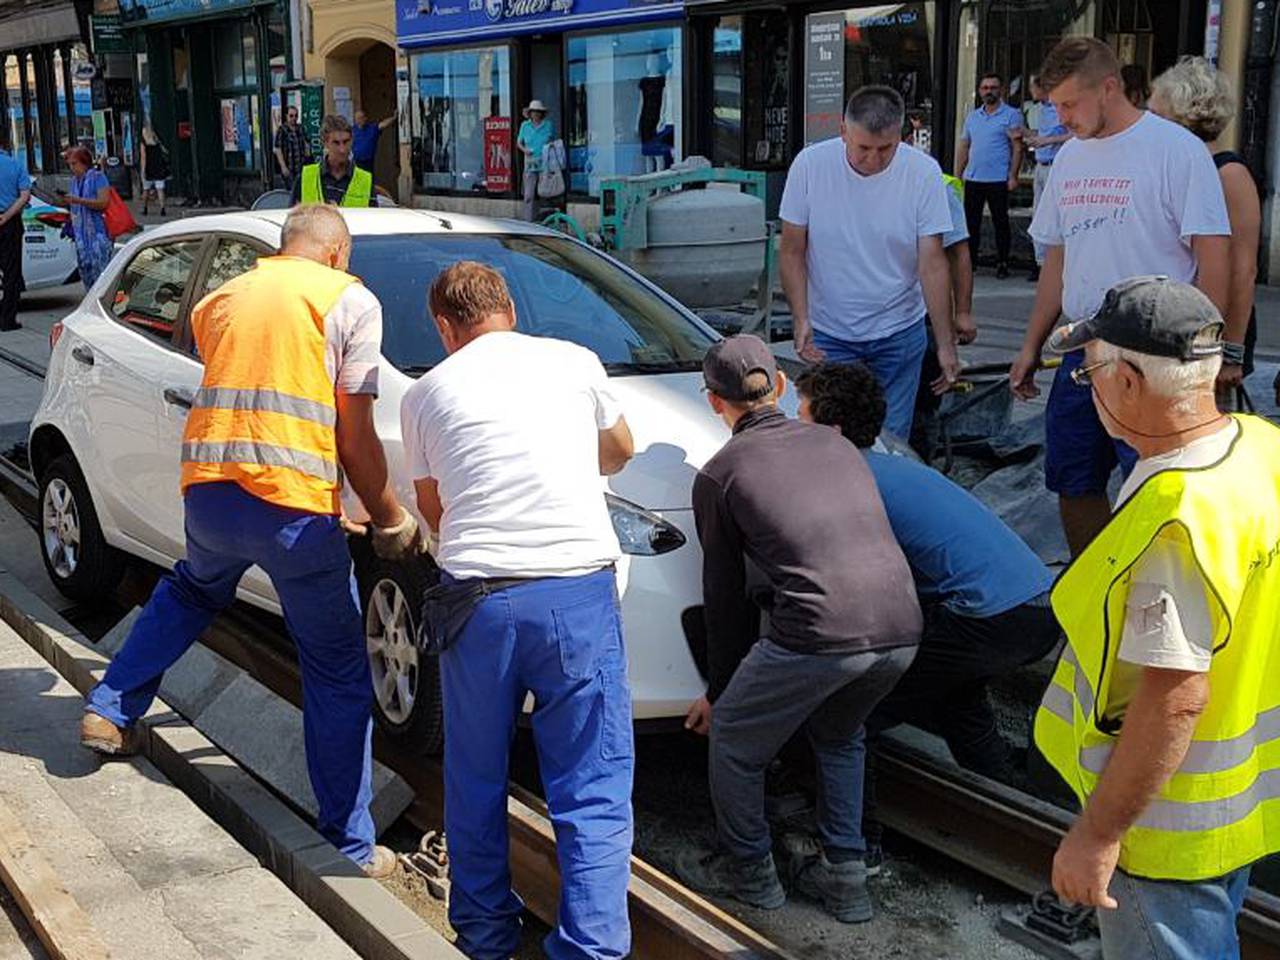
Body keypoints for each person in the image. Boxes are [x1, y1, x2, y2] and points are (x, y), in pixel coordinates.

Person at [78, 204, 421, 879]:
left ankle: (109, 709)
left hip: (210, 493)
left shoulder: (222, 297)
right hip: (291, 510)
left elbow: (256, 388)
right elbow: (352, 432)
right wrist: (388, 517)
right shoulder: (349, 300)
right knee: (335, 669)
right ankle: (348, 847)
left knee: (191, 590)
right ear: (335, 252)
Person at [1033, 275, 1280, 960]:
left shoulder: (1175, 518)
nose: (1088, 388)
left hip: (1165, 824)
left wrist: (1099, 833)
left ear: (1132, 382)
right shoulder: (1259, 447)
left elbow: (1175, 697)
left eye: (1089, 373)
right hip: (1245, 797)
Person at [399, 261, 636, 959]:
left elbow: (436, 508)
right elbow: (619, 451)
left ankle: (486, 938)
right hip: (576, 597)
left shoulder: (425, 394)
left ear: (446, 327)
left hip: (481, 605)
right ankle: (591, 946)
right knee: (591, 782)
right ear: (508, 308)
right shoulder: (574, 360)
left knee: (474, 778)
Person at [675, 334, 920, 923]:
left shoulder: (720, 473)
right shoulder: (835, 444)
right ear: (780, 387)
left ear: (714, 402)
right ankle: (848, 883)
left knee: (734, 740)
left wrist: (718, 690)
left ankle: (751, 877)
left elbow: (726, 599)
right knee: (839, 737)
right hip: (903, 626)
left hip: (819, 632)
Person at [1009, 37, 1230, 557]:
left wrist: (1211, 351)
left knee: (1156, 482)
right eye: (1054, 106)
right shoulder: (1067, 159)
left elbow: (1214, 256)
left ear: (1108, 89)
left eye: (1069, 104)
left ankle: (1153, 584)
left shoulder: (1176, 151)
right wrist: (1030, 346)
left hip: (1158, 351)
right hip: (1084, 343)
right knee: (1072, 476)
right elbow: (1058, 260)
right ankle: (1100, 578)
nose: (1061, 118)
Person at [796, 361, 1059, 779]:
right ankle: (1002, 787)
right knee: (956, 698)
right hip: (1039, 610)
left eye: (801, 418)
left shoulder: (849, 481)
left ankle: (846, 825)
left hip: (988, 619)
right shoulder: (897, 466)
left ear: (831, 432)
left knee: (849, 716)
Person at [780, 85, 957, 440]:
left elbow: (933, 264)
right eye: (863, 148)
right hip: (831, 331)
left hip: (899, 329)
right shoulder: (810, 166)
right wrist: (801, 318)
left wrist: (946, 342)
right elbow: (792, 249)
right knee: (831, 435)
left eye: (885, 149)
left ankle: (881, 495)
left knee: (892, 437)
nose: (873, 160)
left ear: (902, 136)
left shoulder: (923, 173)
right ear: (843, 131)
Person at [1150, 56, 1260, 398]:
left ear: (1180, 116)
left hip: (1211, 332)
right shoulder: (1174, 167)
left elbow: (1244, 270)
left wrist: (1231, 354)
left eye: (1156, 115)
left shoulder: (1229, 174)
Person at [955, 72, 1024, 279]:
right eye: (985, 88)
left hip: (998, 179)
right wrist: (957, 175)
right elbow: (964, 145)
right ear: (979, 91)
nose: (989, 92)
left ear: (1001, 90)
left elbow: (1018, 148)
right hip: (974, 178)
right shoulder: (973, 117)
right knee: (971, 224)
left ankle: (1002, 263)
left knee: (1000, 223)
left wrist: (1013, 176)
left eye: (993, 88)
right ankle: (971, 262)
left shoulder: (1011, 115)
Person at [1022, 77, 1071, 283]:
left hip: (1055, 166)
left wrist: (1046, 140)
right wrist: (1028, 135)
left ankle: (1053, 267)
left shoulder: (1059, 108)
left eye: (1033, 86)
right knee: (1038, 216)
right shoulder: (1040, 110)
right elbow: (1043, 134)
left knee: (1055, 217)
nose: (1031, 91)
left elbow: (1072, 135)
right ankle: (1040, 263)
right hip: (1040, 166)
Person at [290, 114, 377, 207]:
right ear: (325, 143)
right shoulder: (305, 178)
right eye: (336, 143)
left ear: (352, 141)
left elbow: (373, 218)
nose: (342, 149)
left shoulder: (365, 180)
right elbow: (292, 218)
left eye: (346, 142)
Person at [61, 145, 114, 290]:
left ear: (84, 162)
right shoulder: (74, 181)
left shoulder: (98, 177)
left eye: (74, 163)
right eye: (70, 164)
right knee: (86, 273)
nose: (72, 168)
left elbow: (103, 202)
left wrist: (78, 200)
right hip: (81, 236)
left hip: (98, 233)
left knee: (101, 274)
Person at [0, 129, 31, 332]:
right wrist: (6, 216)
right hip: (9, 224)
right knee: (11, 273)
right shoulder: (15, 164)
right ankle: (7, 320)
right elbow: (25, 196)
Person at [516, 100, 553, 222]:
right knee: (528, 195)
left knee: (545, 193)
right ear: (530, 113)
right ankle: (528, 221)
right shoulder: (525, 126)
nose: (536, 114)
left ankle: (543, 221)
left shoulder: (547, 125)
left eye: (538, 112)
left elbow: (551, 139)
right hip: (530, 163)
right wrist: (525, 150)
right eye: (533, 112)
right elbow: (519, 143)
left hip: (545, 163)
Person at [274, 104, 313, 190]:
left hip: (301, 167)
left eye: (296, 116)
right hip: (289, 167)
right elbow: (278, 149)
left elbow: (307, 143)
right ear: (286, 116)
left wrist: (308, 155)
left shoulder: (301, 128)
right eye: (291, 116)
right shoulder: (282, 130)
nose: (294, 118)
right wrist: (283, 167)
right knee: (291, 192)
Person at [352, 108, 396, 174]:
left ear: (365, 118)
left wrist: (394, 117)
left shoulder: (372, 128)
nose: (359, 120)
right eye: (357, 118)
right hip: (355, 162)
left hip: (368, 162)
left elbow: (383, 124)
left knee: (367, 181)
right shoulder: (352, 130)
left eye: (361, 117)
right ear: (355, 120)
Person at [139, 124, 170, 217]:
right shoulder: (157, 142)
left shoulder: (143, 143)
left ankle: (145, 208)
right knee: (160, 189)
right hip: (159, 168)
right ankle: (162, 209)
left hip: (149, 168)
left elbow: (143, 157)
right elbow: (165, 152)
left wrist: (143, 170)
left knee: (146, 189)